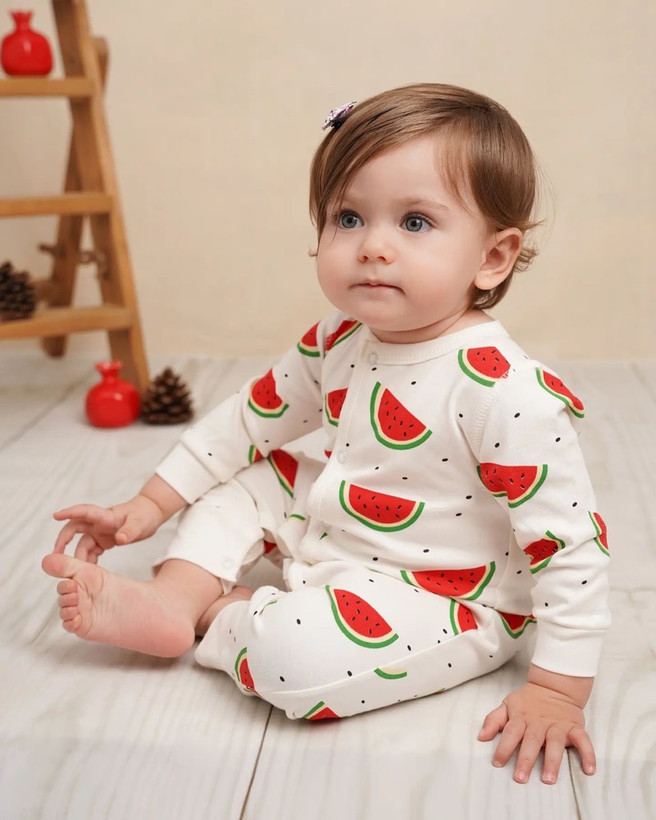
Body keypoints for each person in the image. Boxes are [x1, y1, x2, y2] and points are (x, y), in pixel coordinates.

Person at [42, 83, 610, 785]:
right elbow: (247, 422)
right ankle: (173, 598)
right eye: (348, 217)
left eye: (414, 222)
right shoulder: (338, 336)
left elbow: (570, 547)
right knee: (249, 478)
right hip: (338, 521)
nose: (372, 246)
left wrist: (558, 689)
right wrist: (149, 505)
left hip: (447, 594)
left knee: (297, 665)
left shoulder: (505, 391)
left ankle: (225, 616)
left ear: (492, 257)